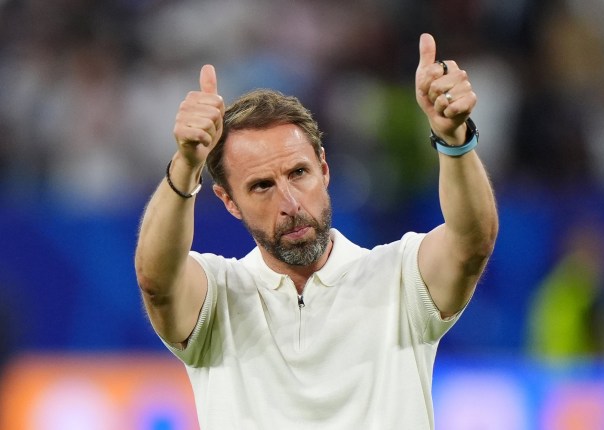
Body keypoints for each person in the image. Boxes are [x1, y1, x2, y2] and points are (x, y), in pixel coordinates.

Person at [135, 33, 498, 429]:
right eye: (262, 186)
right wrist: (186, 163)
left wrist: (454, 141)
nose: (290, 203)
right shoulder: (218, 293)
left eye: (298, 173)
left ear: (324, 169)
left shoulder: (400, 276)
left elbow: (472, 242)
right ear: (228, 201)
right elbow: (157, 280)